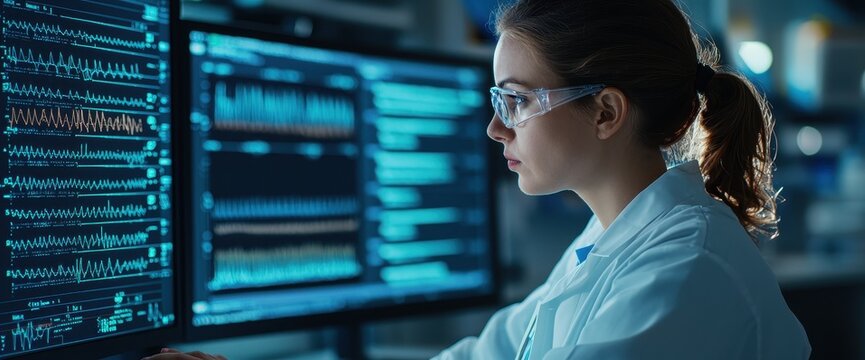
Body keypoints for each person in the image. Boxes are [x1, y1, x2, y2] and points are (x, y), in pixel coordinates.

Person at [146, 0, 811, 359]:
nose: (496, 130)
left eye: (516, 101)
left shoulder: (680, 274)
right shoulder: (612, 244)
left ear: (605, 112)